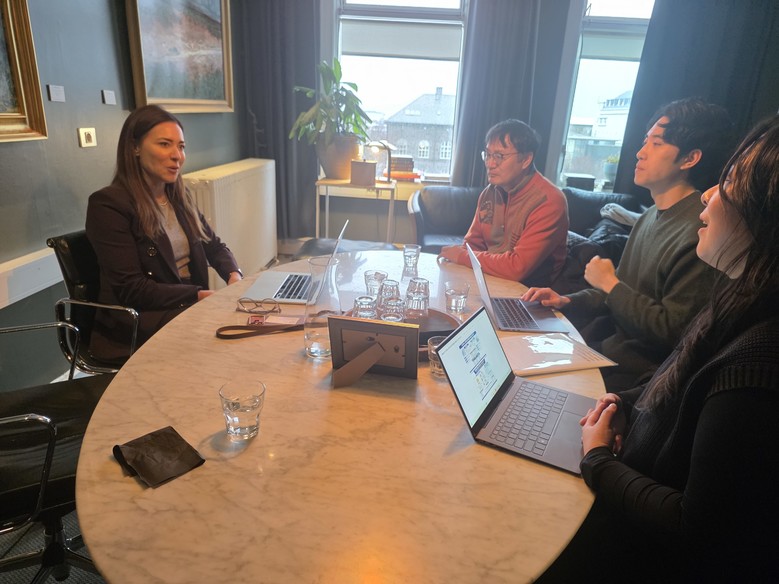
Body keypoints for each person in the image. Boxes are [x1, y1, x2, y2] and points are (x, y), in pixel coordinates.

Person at [537, 115, 779, 584]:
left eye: (733, 181)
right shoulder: (737, 300)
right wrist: (624, 404)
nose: (710, 194)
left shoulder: (757, 361)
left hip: (631, 535)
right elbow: (677, 376)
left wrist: (597, 459)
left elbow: (696, 529)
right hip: (625, 463)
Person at [523, 98, 733, 392]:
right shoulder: (649, 216)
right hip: (602, 352)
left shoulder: (700, 232)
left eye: (656, 144)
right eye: (645, 141)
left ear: (690, 158)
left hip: (635, 380)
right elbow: (618, 292)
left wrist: (610, 284)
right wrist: (566, 301)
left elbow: (673, 332)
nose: (640, 152)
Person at [86, 105, 242, 361]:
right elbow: (132, 289)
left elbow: (213, 246)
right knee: (232, 336)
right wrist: (198, 295)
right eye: (164, 144)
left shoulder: (178, 196)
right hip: (140, 320)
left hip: (185, 306)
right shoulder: (108, 204)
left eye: (181, 146)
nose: (177, 156)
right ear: (134, 148)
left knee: (253, 320)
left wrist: (234, 276)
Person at [438, 119, 568, 287]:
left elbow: (517, 267)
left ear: (526, 159)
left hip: (530, 292)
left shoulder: (549, 201)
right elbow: (473, 245)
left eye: (499, 156)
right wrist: (463, 258)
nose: (490, 164)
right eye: (488, 155)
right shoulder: (490, 193)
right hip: (491, 281)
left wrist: (462, 256)